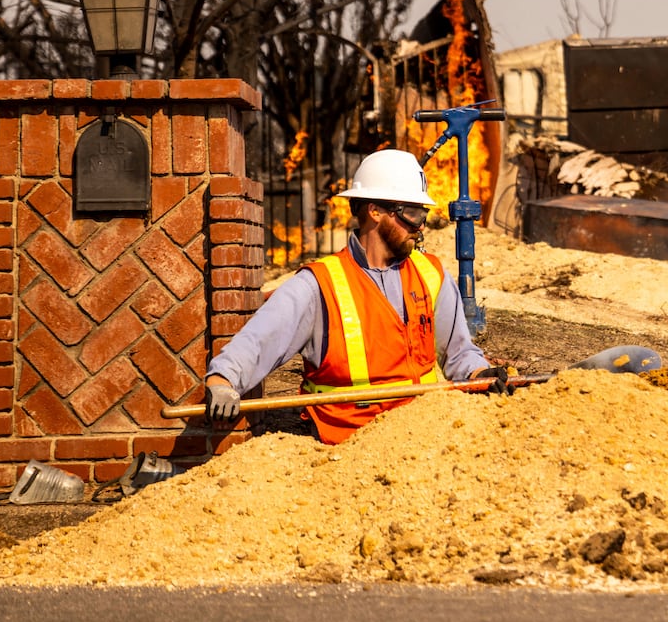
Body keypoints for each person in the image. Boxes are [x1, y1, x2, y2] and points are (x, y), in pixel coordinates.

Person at [202, 148, 508, 444]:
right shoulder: (319, 284)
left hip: (424, 437)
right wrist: (224, 380)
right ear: (375, 211)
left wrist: (479, 372)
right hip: (348, 444)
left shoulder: (431, 274)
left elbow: (459, 353)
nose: (421, 225)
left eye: (423, 213)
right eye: (412, 213)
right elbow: (261, 338)